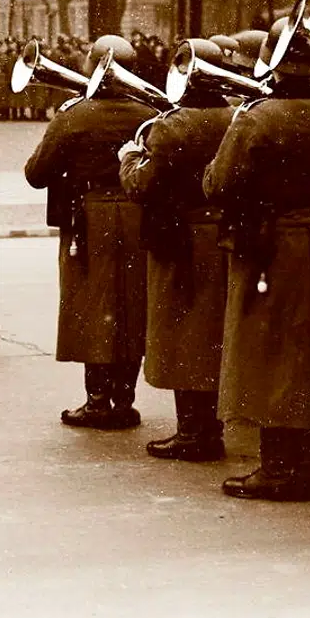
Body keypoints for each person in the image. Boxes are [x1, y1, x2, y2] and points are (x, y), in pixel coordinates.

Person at [204, 20, 310, 500]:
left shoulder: (256, 116)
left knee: (270, 354)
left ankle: (281, 469)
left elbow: (219, 184)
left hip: (272, 242)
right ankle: (303, 463)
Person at [25, 36, 156, 429]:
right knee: (132, 306)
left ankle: (97, 400)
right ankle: (124, 400)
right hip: (137, 218)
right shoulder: (149, 112)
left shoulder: (74, 115)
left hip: (89, 218)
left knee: (92, 306)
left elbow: (36, 174)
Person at [119, 39, 234, 461]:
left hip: (182, 240)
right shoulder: (234, 115)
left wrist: (128, 159)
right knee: (216, 334)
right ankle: (212, 426)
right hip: (223, 236)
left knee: (185, 337)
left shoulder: (172, 125)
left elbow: (141, 186)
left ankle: (195, 432)